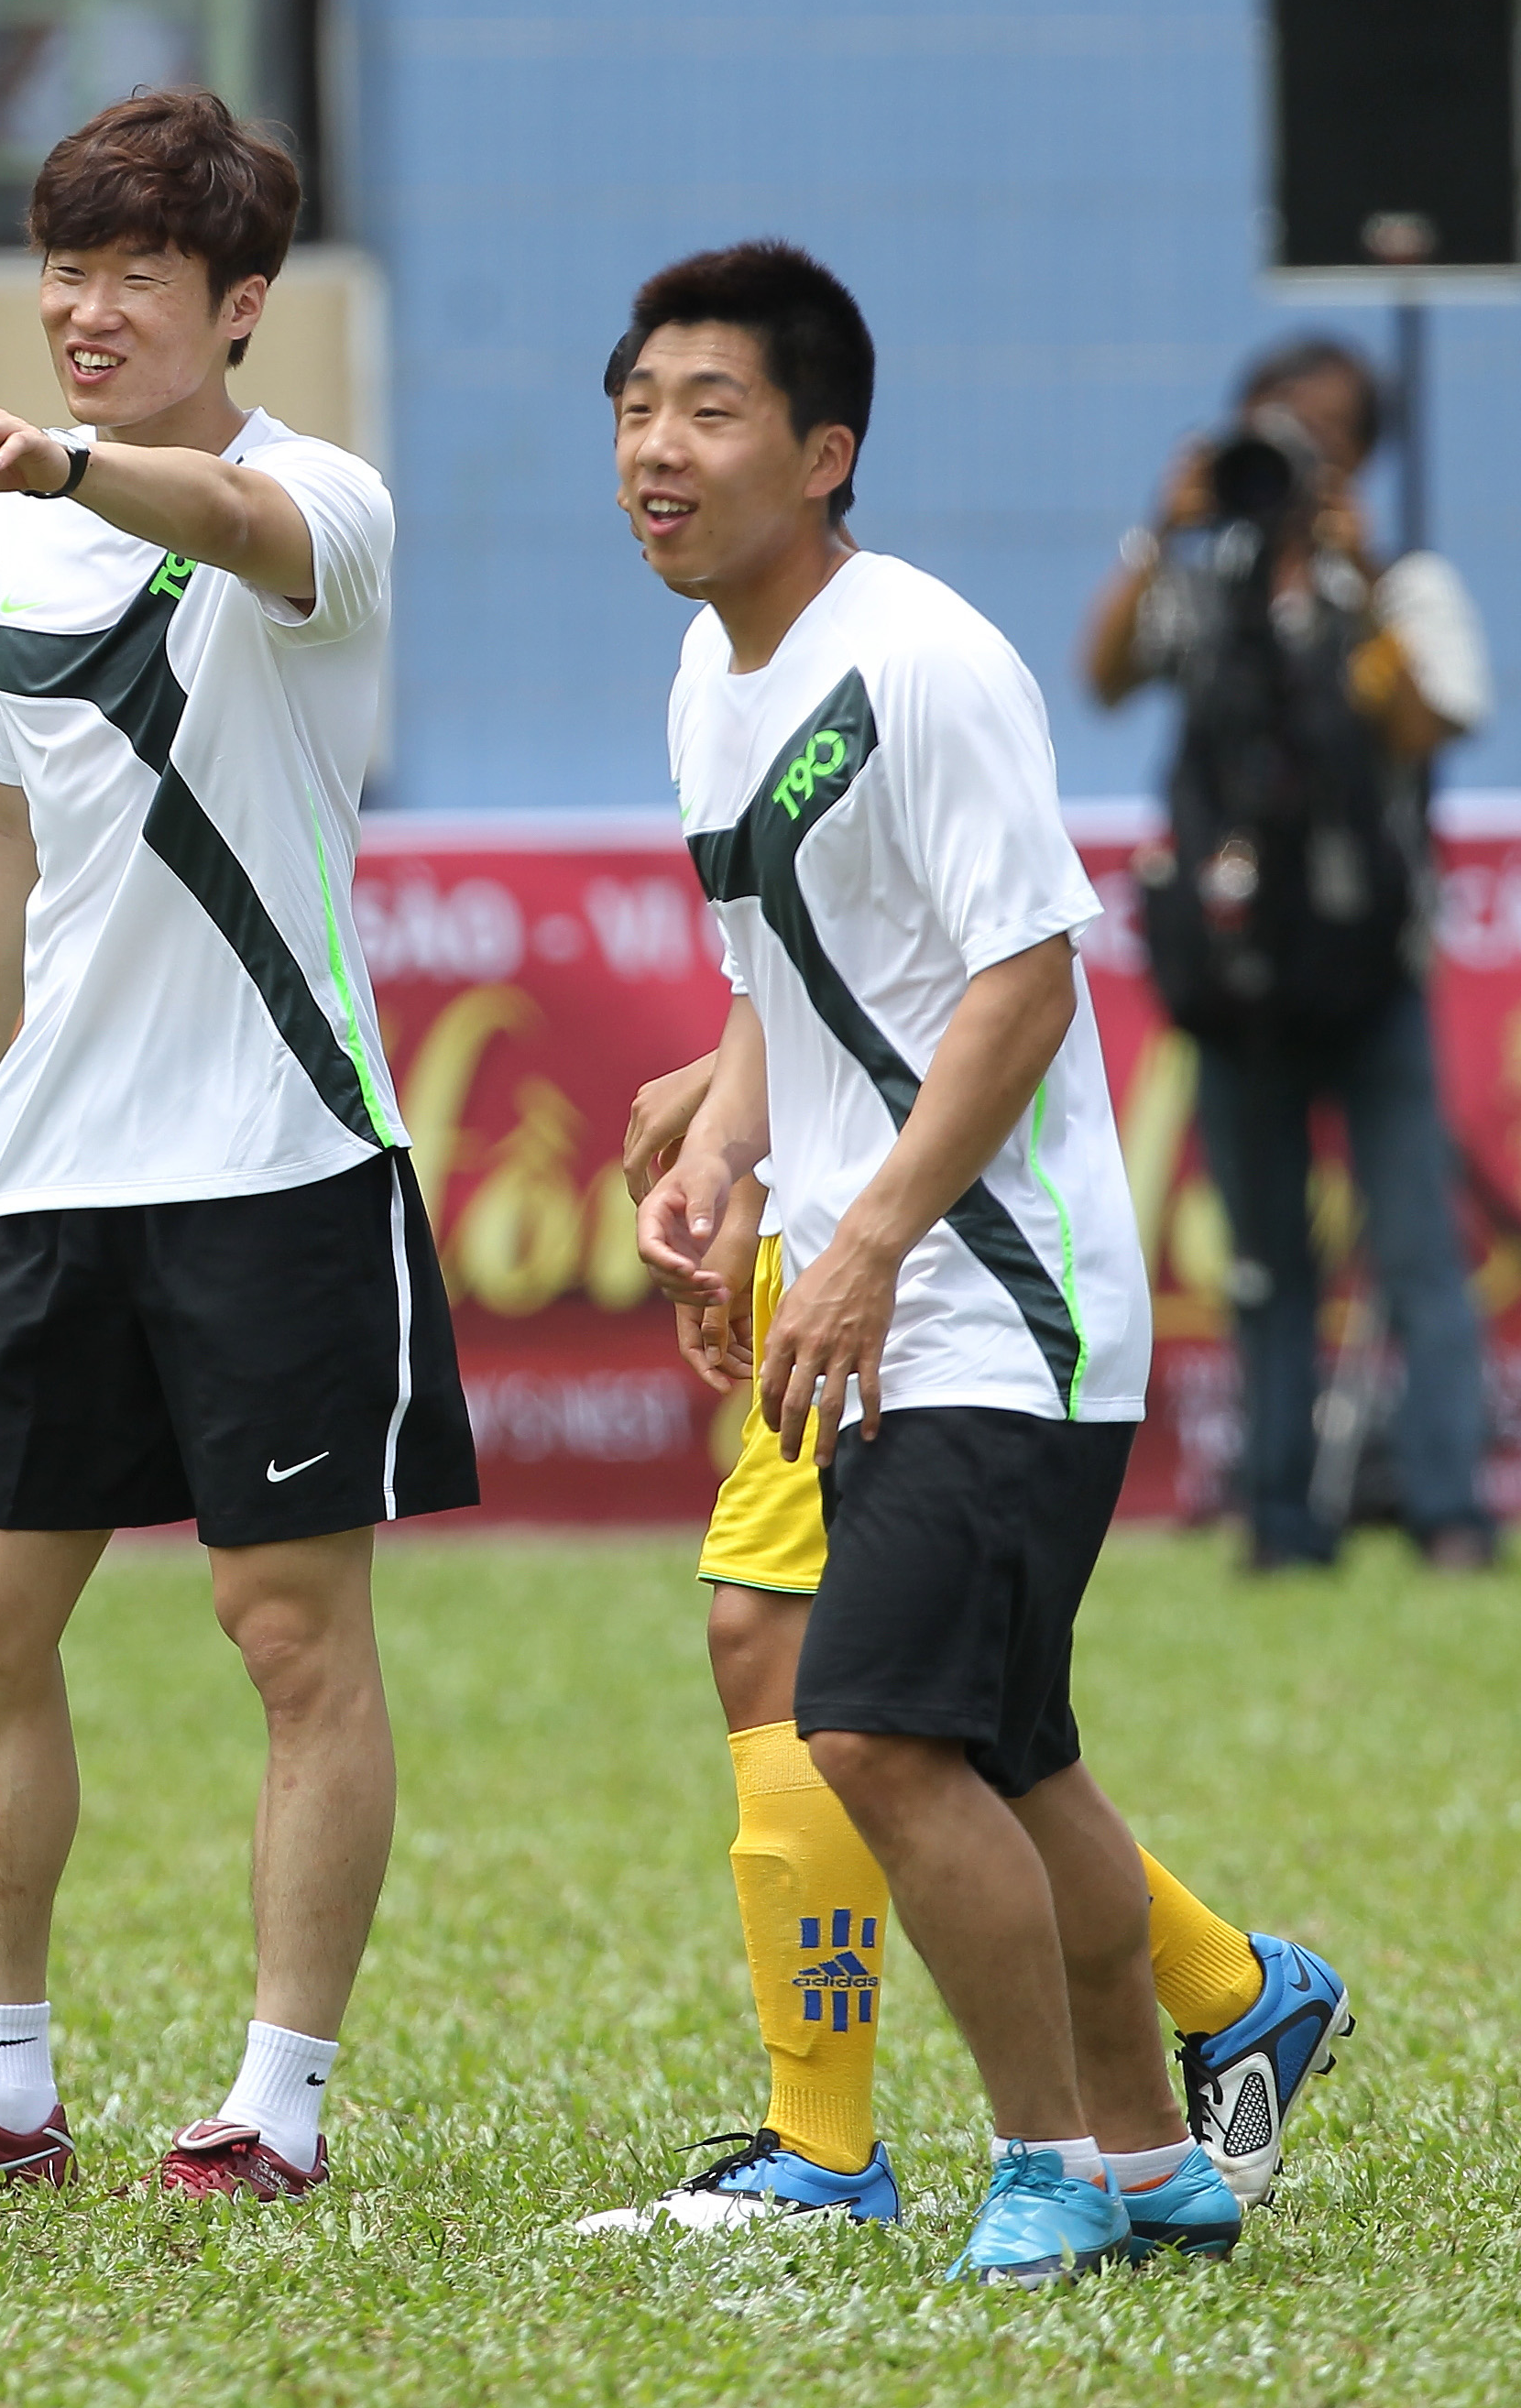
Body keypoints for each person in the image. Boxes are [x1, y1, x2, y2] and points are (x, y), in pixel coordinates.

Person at [0, 88, 472, 2206]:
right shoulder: (9, 529)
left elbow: (231, 529)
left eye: (132, 277)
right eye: (60, 271)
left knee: (286, 1634)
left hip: (277, 1154)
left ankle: (274, 2111)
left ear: (236, 305)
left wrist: (65, 463)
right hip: (61, 1172)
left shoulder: (319, 498)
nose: (80, 311)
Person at [624, 240, 1240, 2282]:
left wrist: (871, 1236)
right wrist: (732, 1170)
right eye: (634, 408)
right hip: (883, 1311)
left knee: (875, 1735)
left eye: (708, 410)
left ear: (824, 453)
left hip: (999, 1310)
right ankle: (1151, 2162)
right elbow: (777, 988)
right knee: (1006, 1755)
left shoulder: (919, 659)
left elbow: (1023, 977)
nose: (655, 449)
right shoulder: (711, 680)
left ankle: (1040, 2161)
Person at [582, 1056, 1353, 2232]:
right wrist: (741, 1163)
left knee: (826, 1674)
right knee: (932, 1718)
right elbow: (800, 993)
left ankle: (831, 2152)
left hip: (930, 1272)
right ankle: (1224, 1994)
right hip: (840, 1233)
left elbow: (967, 998)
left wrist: (734, 1099)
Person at [1084, 337, 1498, 1573]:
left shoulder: (1400, 586)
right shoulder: (1202, 584)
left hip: (1369, 974)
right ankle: (1276, 1516)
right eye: (1276, 427)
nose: (1298, 451)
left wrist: (1355, 573)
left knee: (1415, 1248)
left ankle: (1450, 1512)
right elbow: (1104, 677)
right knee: (1264, 1264)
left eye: (1324, 434)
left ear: (1360, 458)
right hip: (1233, 977)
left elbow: (1427, 723)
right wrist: (1159, 532)